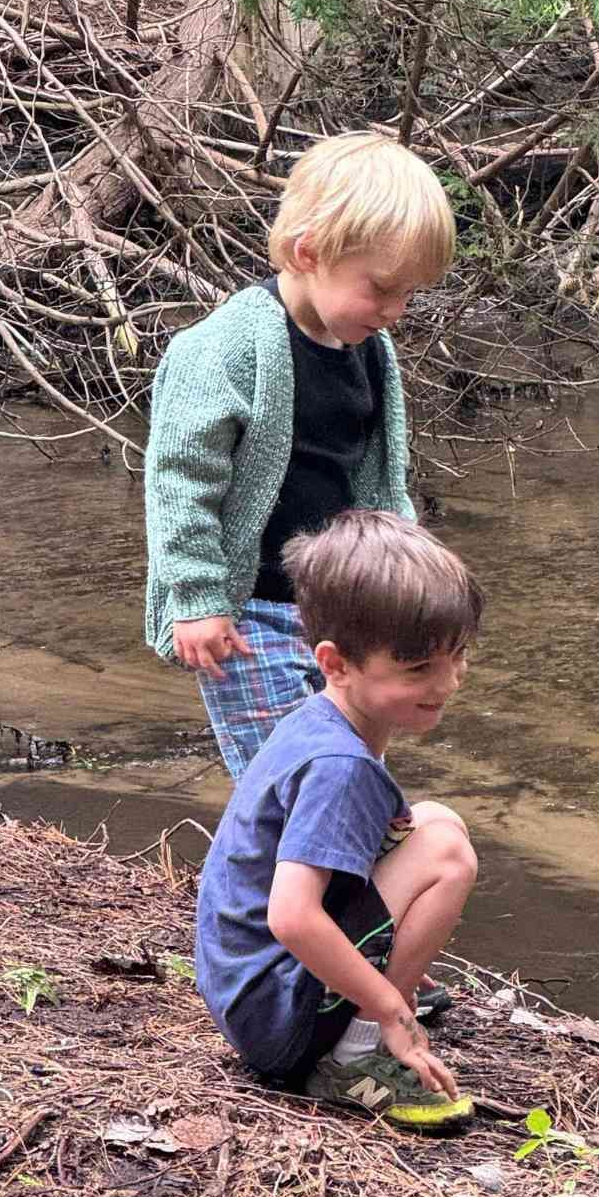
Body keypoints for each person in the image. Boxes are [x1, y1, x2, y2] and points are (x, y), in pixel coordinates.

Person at [144, 129, 455, 783]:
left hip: (340, 615)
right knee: (291, 778)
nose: (396, 311)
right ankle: (278, 883)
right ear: (308, 251)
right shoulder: (224, 350)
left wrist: (406, 584)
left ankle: (341, 876)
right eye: (382, 289)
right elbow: (181, 483)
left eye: (409, 296)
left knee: (349, 768)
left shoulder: (369, 349)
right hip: (247, 614)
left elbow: (379, 483)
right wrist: (198, 599)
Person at [195, 510, 481, 1133]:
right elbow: (291, 915)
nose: (448, 683)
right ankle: (353, 1055)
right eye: (418, 669)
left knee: (434, 821)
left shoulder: (322, 719)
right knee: (448, 857)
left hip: (246, 990)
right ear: (336, 662)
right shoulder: (339, 766)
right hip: (274, 1020)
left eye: (457, 656)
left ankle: (368, 997)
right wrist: (388, 1010)